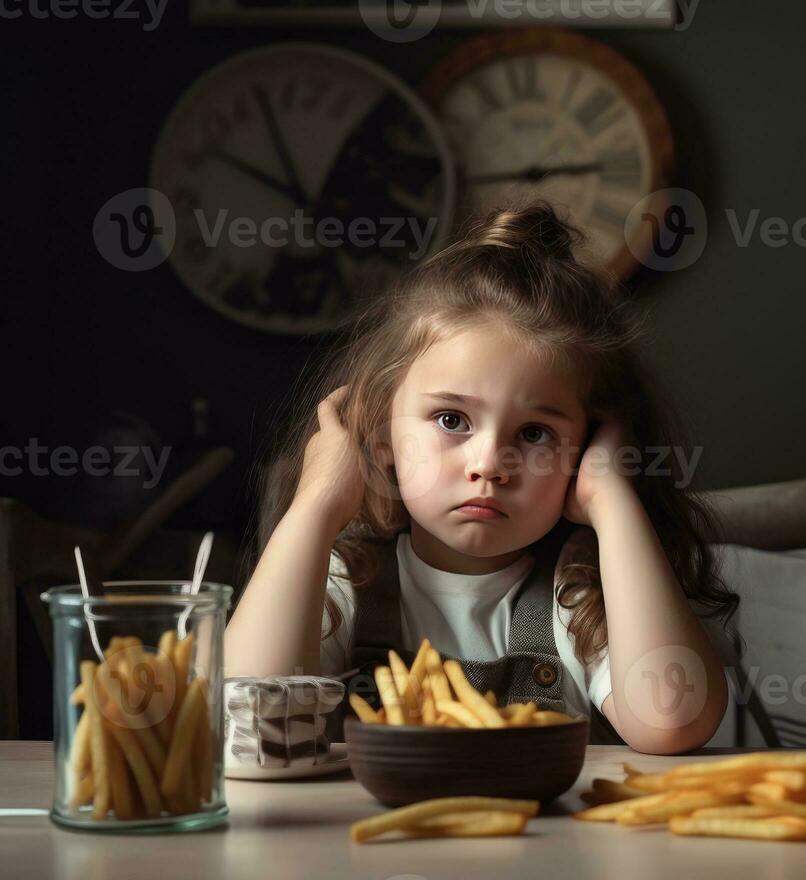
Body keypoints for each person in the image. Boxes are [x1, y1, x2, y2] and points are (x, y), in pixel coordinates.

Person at [225, 201, 738, 754]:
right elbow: (250, 726)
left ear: (586, 449)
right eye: (452, 420)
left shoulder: (581, 590)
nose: (489, 464)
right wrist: (318, 502)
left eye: (535, 433)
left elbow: (673, 721)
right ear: (380, 434)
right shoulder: (347, 579)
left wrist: (612, 500)